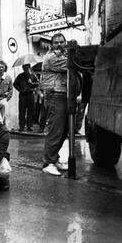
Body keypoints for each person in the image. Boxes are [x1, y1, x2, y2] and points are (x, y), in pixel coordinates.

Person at [40, 33, 69, 176]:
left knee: (63, 131)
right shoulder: (52, 58)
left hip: (62, 94)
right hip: (55, 95)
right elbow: (71, 64)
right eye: (56, 42)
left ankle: (54, 158)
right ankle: (48, 163)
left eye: (61, 42)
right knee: (55, 130)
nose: (59, 44)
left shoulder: (61, 55)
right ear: (52, 44)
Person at [13, 64, 39, 131]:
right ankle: (21, 126)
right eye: (24, 68)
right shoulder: (20, 76)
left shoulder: (33, 75)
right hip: (22, 95)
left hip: (30, 94)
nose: (26, 69)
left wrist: (32, 84)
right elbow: (15, 84)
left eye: (27, 68)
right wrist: (20, 90)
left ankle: (29, 126)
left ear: (30, 68)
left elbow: (37, 83)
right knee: (22, 111)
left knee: (31, 111)